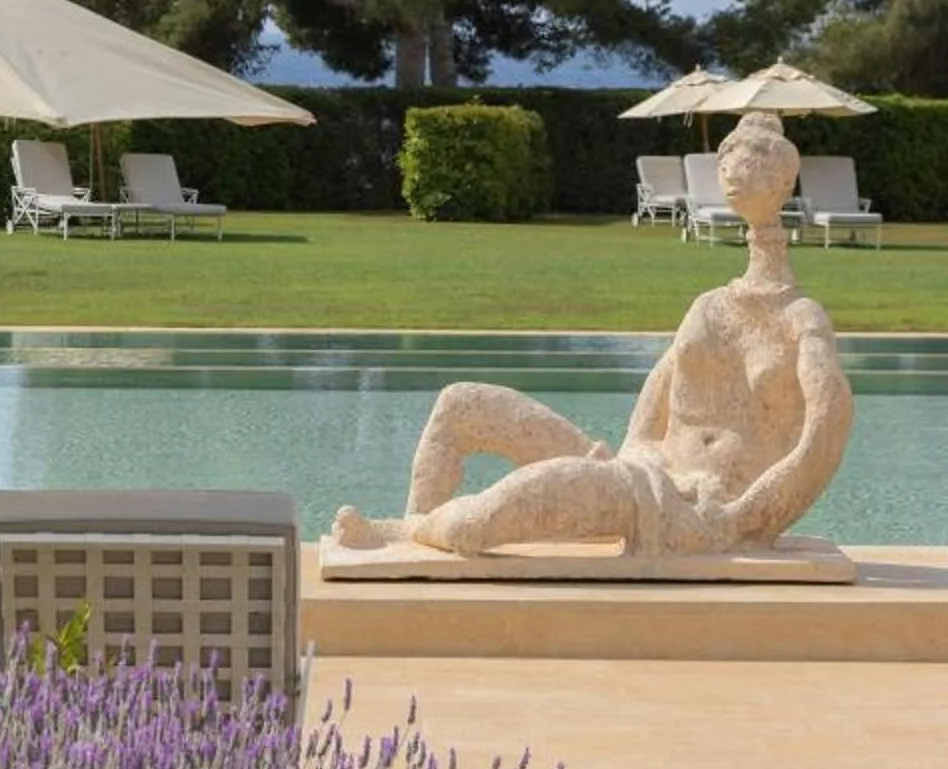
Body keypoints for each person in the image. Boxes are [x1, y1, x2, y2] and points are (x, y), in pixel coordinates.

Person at [330, 113, 855, 560]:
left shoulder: (801, 320)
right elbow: (649, 416)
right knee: (460, 404)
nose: (734, 169)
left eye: (755, 160)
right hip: (640, 477)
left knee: (479, 522)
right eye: (730, 158)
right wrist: (639, 459)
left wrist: (739, 521)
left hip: (695, 510)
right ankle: (413, 528)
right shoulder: (710, 307)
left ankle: (411, 534)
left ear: (786, 181)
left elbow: (821, 442)